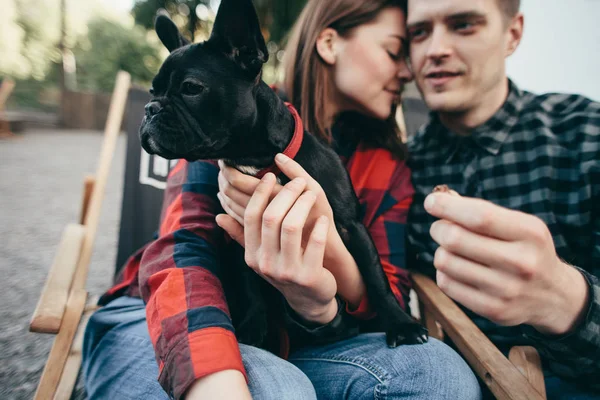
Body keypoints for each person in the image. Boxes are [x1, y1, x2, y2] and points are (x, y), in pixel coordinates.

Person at [82, 0, 482, 399]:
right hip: (171, 322)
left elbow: (390, 296)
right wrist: (211, 374)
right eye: (395, 53)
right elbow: (182, 252)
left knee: (439, 376)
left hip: (302, 341)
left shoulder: (385, 166)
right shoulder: (231, 125)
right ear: (328, 42)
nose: (407, 71)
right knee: (278, 389)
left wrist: (322, 290)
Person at [403, 0, 600, 398]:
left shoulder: (586, 133)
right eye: (419, 32)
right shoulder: (400, 170)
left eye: (463, 25)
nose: (435, 48)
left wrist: (566, 300)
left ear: (512, 34)